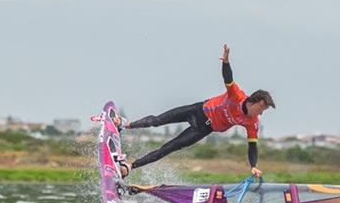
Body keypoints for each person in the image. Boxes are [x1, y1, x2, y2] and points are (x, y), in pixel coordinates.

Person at [114, 44, 275, 179]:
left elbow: (252, 147)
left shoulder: (252, 122)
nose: (261, 113)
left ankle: (129, 167)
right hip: (197, 110)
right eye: (262, 108)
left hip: (203, 129)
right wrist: (226, 62)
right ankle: (125, 124)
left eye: (264, 110)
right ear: (253, 102)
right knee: (157, 120)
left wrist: (254, 166)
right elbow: (228, 78)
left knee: (168, 148)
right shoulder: (237, 96)